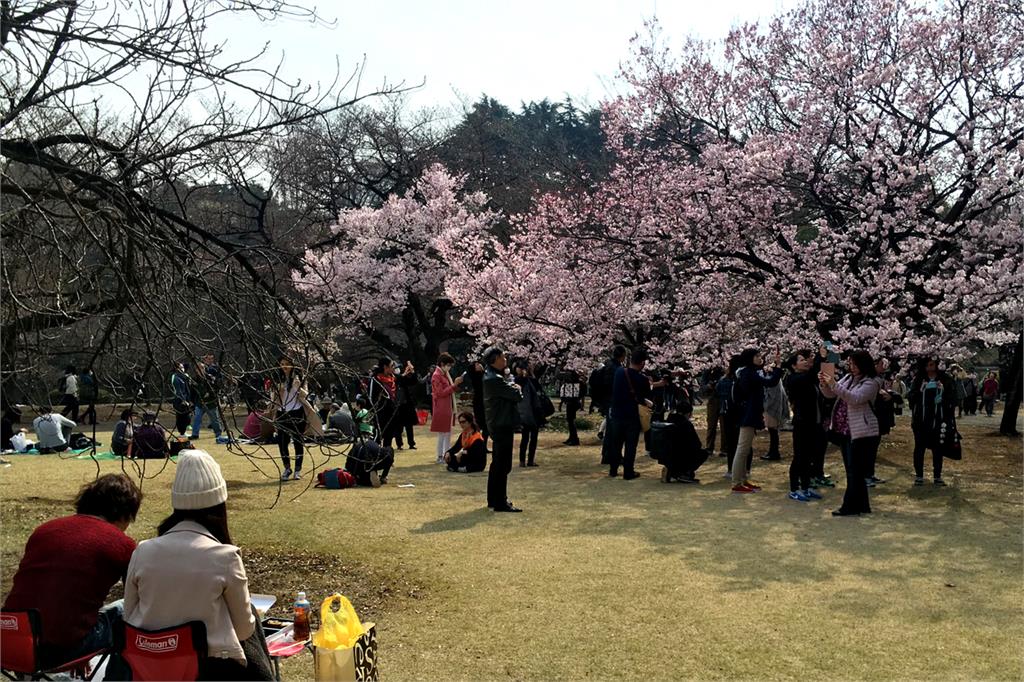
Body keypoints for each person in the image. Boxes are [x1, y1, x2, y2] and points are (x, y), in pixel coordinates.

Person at [123, 450, 274, 680]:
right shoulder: (225, 557)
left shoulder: (143, 550)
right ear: (219, 506)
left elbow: (129, 614)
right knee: (250, 617)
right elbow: (244, 630)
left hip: (149, 664)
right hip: (207, 669)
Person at [3, 474, 142, 667]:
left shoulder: (44, 530)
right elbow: (136, 600)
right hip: (61, 649)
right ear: (125, 513)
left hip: (11, 640)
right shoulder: (121, 544)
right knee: (122, 610)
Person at [820, 350, 879, 516]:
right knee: (853, 470)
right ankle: (862, 505)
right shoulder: (848, 378)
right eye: (850, 363)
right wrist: (825, 384)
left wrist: (833, 384)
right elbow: (831, 394)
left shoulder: (871, 382)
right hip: (844, 429)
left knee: (854, 470)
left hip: (860, 432)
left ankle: (850, 506)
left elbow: (855, 398)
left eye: (854, 364)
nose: (851, 367)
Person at [730, 348, 783, 493]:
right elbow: (771, 382)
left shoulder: (748, 372)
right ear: (750, 358)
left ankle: (742, 480)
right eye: (757, 356)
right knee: (742, 449)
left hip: (749, 414)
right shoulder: (749, 373)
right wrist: (778, 367)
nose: (760, 358)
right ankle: (736, 483)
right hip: (748, 415)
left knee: (744, 449)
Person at [482, 347, 523, 512]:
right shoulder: (494, 379)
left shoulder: (492, 376)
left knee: (497, 464)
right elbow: (516, 395)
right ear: (495, 360)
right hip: (501, 424)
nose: (505, 359)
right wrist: (516, 388)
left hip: (498, 423)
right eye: (502, 357)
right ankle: (500, 501)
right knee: (503, 464)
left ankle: (494, 499)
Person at [783, 348, 828, 502]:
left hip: (814, 422)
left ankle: (806, 487)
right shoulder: (793, 378)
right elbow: (811, 374)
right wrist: (819, 359)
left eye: (805, 359)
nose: (806, 362)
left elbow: (821, 378)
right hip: (802, 423)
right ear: (794, 366)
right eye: (801, 360)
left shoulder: (808, 378)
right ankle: (794, 488)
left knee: (809, 456)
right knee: (799, 456)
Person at [908, 357, 958, 486]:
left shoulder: (945, 379)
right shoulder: (918, 380)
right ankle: (919, 475)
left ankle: (937, 476)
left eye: (932, 365)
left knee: (938, 448)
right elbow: (911, 399)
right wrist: (921, 391)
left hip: (938, 419)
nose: (930, 368)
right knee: (919, 448)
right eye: (927, 365)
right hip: (921, 420)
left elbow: (952, 398)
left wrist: (943, 397)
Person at [606, 349, 654, 480]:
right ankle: (628, 471)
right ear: (642, 363)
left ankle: (613, 470)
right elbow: (644, 396)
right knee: (630, 445)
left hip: (616, 414)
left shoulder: (619, 372)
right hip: (632, 415)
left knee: (616, 443)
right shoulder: (642, 379)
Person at [273, 355, 307, 480]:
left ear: (292, 365)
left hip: (297, 412)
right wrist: (279, 393)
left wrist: (297, 388)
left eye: (287, 363)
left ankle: (298, 470)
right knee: (282, 442)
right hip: (282, 412)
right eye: (282, 364)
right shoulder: (277, 379)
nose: (284, 366)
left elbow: (306, 395)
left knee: (298, 441)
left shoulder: (299, 378)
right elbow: (274, 400)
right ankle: (287, 468)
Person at [659, 401, 709, 483]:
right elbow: (696, 444)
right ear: (688, 413)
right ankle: (684, 473)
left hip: (665, 454)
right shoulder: (686, 424)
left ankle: (672, 471)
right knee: (703, 453)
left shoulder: (669, 420)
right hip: (680, 456)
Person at [430, 353, 464, 464]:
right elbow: (440, 393)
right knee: (442, 433)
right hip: (441, 407)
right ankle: (440, 455)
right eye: (448, 365)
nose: (449, 367)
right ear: (442, 364)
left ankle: (446, 454)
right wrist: (454, 385)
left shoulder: (444, 374)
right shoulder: (437, 375)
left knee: (447, 433)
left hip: (446, 407)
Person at [591, 345, 628, 441]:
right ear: (623, 355)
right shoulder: (616, 368)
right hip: (612, 400)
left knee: (610, 422)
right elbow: (612, 385)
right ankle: (610, 451)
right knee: (613, 427)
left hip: (606, 400)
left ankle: (607, 447)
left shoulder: (608, 365)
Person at [514, 361, 543, 467]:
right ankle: (528, 460)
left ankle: (526, 460)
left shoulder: (526, 381)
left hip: (527, 412)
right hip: (530, 412)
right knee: (530, 437)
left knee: (526, 437)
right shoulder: (521, 381)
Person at [369, 358, 402, 451]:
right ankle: (374, 456)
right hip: (380, 413)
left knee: (389, 436)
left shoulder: (393, 378)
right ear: (385, 367)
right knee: (378, 436)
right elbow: (371, 397)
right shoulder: (375, 379)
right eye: (391, 366)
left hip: (391, 411)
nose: (393, 368)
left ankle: (386, 457)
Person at [191, 355, 225, 442]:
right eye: (198, 369)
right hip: (200, 403)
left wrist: (209, 393)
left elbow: (216, 387)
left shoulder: (210, 378)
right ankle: (195, 434)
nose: (200, 371)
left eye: (202, 368)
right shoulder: (194, 380)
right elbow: (194, 391)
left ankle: (218, 434)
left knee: (214, 420)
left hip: (210, 403)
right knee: (197, 418)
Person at [716, 357, 741, 465]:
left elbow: (717, 391)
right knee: (741, 442)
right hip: (739, 412)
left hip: (726, 411)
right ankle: (742, 468)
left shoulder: (724, 380)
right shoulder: (740, 379)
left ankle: (731, 467)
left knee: (730, 441)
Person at [760, 375, 788, 461]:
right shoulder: (776, 379)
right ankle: (772, 452)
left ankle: (774, 453)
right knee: (773, 432)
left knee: (773, 431)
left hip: (771, 407)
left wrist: (765, 405)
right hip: (774, 406)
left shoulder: (774, 379)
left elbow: (771, 394)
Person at [396, 361, 420, 450]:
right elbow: (398, 379)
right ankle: (399, 444)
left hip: (407, 405)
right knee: (399, 427)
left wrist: (412, 371)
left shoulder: (404, 378)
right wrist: (404, 373)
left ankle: (411, 443)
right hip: (398, 406)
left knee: (409, 426)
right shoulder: (394, 378)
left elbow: (414, 381)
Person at [558, 369, 586, 446]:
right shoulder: (576, 383)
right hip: (573, 402)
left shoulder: (575, 383)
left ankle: (574, 438)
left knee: (571, 421)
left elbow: (583, 392)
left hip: (573, 403)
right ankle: (572, 437)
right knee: (570, 421)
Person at [469, 361, 489, 449]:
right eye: (476, 365)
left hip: (484, 401)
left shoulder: (482, 374)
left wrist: (483, 370)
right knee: (480, 424)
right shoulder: (475, 376)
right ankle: (477, 445)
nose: (479, 365)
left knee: (486, 426)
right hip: (478, 402)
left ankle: (483, 446)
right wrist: (483, 371)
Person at [170, 362, 193, 436]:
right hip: (179, 400)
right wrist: (183, 400)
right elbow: (178, 390)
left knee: (187, 417)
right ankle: (181, 432)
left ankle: (184, 431)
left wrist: (189, 400)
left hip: (186, 399)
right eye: (181, 367)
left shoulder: (184, 376)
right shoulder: (175, 377)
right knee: (180, 417)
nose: (183, 369)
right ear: (177, 368)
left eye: (183, 367)